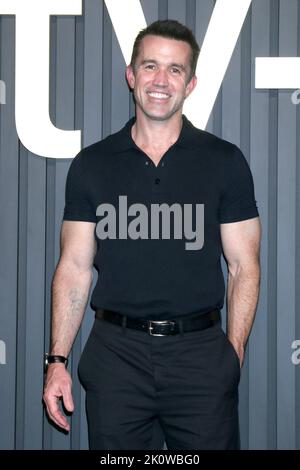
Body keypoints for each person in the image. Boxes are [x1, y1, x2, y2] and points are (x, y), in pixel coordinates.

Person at [43, 19, 261, 450]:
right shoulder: (92, 164)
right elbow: (74, 268)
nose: (161, 81)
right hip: (116, 357)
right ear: (131, 75)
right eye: (150, 66)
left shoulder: (224, 161)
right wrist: (56, 360)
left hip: (200, 356)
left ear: (191, 83)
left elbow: (243, 266)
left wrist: (231, 357)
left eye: (175, 69)